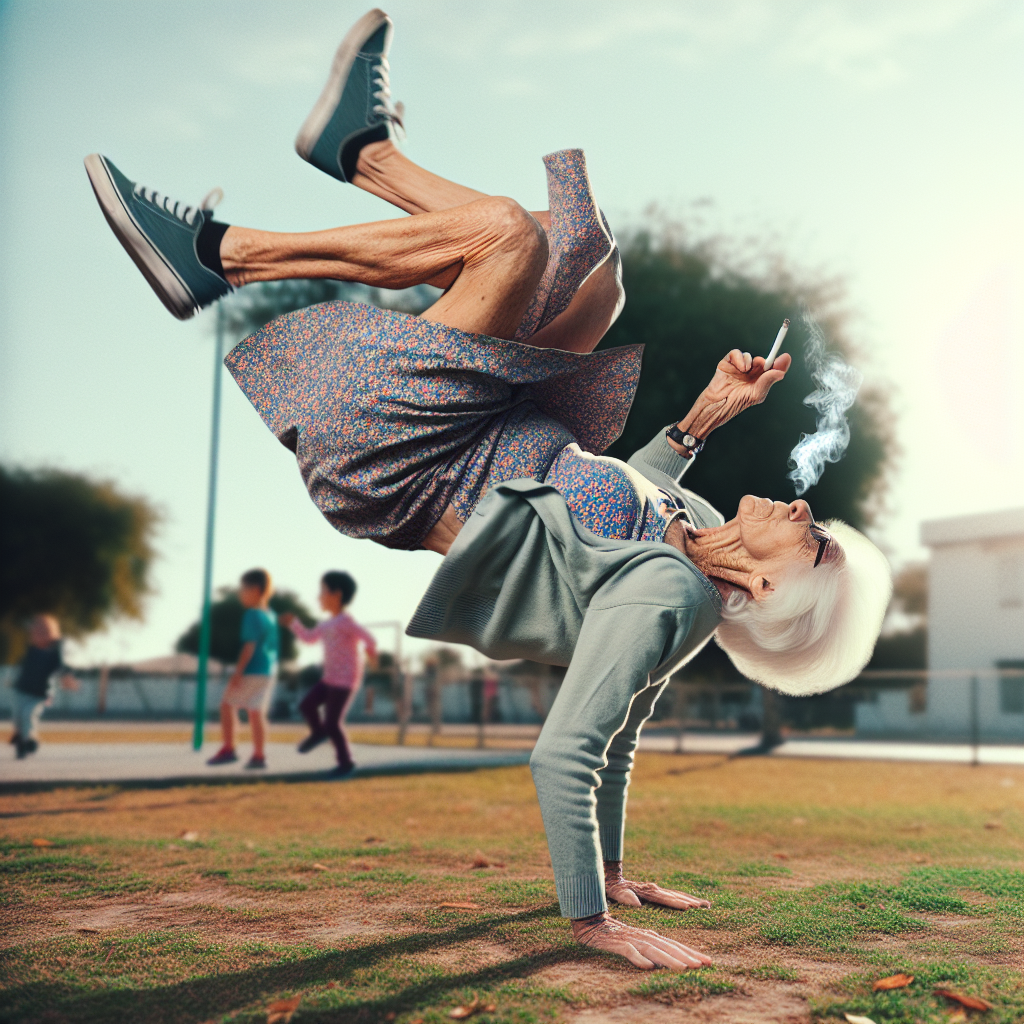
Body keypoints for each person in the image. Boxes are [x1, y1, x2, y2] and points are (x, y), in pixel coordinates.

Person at [84, 8, 891, 970]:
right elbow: (627, 710)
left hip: (404, 458)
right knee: (588, 266)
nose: (805, 510)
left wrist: (592, 918)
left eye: (814, 542)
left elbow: (572, 750)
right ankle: (360, 149)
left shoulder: (670, 595)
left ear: (768, 591)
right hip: (480, 415)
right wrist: (710, 413)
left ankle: (220, 257)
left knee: (504, 237)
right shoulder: (693, 533)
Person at [281, 570, 377, 777]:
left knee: (333, 722)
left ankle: (346, 763)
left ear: (337, 595)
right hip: (329, 679)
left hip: (345, 680)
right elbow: (308, 638)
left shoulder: (346, 622)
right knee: (306, 705)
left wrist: (371, 653)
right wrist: (294, 624)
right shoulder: (325, 624)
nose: (319, 596)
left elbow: (368, 639)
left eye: (323, 591)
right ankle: (318, 733)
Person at [207, 568, 279, 770]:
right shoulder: (270, 615)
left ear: (255, 590)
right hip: (267, 672)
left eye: (243, 589)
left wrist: (238, 672)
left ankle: (229, 749)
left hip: (252, 670)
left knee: (227, 705)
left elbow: (249, 646)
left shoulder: (252, 615)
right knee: (256, 712)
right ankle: (259, 756)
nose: (240, 594)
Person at [9, 615, 78, 759]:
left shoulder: (54, 655)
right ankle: (21, 740)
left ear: (52, 635)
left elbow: (62, 668)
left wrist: (68, 679)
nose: (39, 635)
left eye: (44, 632)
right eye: (37, 632)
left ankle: (29, 740)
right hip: (21, 690)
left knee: (28, 715)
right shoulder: (30, 650)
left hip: (39, 694)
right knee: (17, 717)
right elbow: (21, 666)